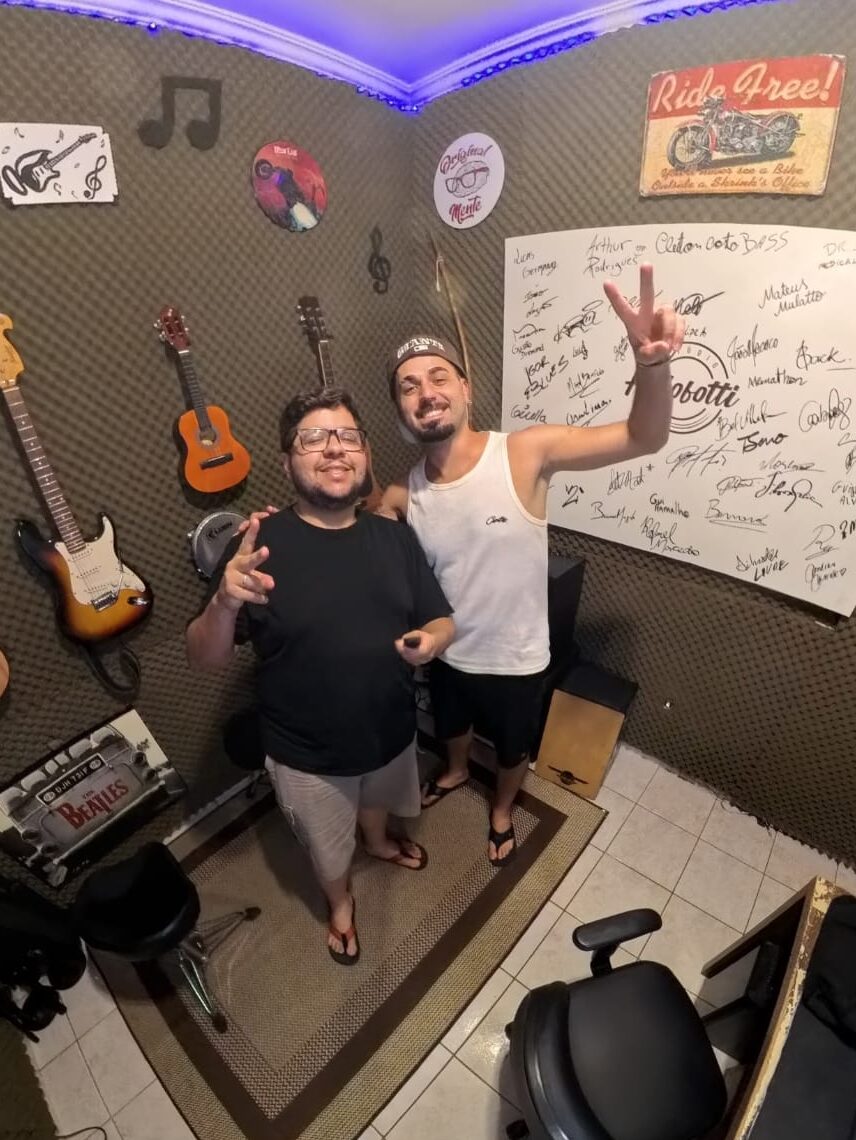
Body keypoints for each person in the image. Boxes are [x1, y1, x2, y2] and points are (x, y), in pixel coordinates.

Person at [379, 264, 683, 867]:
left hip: (515, 658)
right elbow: (350, 530)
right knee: (452, 728)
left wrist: (652, 367)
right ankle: (457, 771)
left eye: (438, 376)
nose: (426, 392)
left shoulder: (524, 452)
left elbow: (643, 437)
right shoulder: (401, 493)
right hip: (446, 651)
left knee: (513, 748)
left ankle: (501, 810)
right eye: (408, 387)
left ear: (465, 389)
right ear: (401, 411)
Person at [186, 388, 455, 965]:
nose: (334, 448)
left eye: (348, 436)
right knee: (329, 850)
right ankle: (340, 902)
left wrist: (433, 641)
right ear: (287, 463)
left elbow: (441, 618)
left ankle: (377, 842)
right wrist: (224, 604)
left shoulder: (394, 537)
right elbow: (204, 658)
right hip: (306, 753)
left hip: (390, 731)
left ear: (364, 455)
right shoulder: (255, 546)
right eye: (313, 438)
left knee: (377, 807)